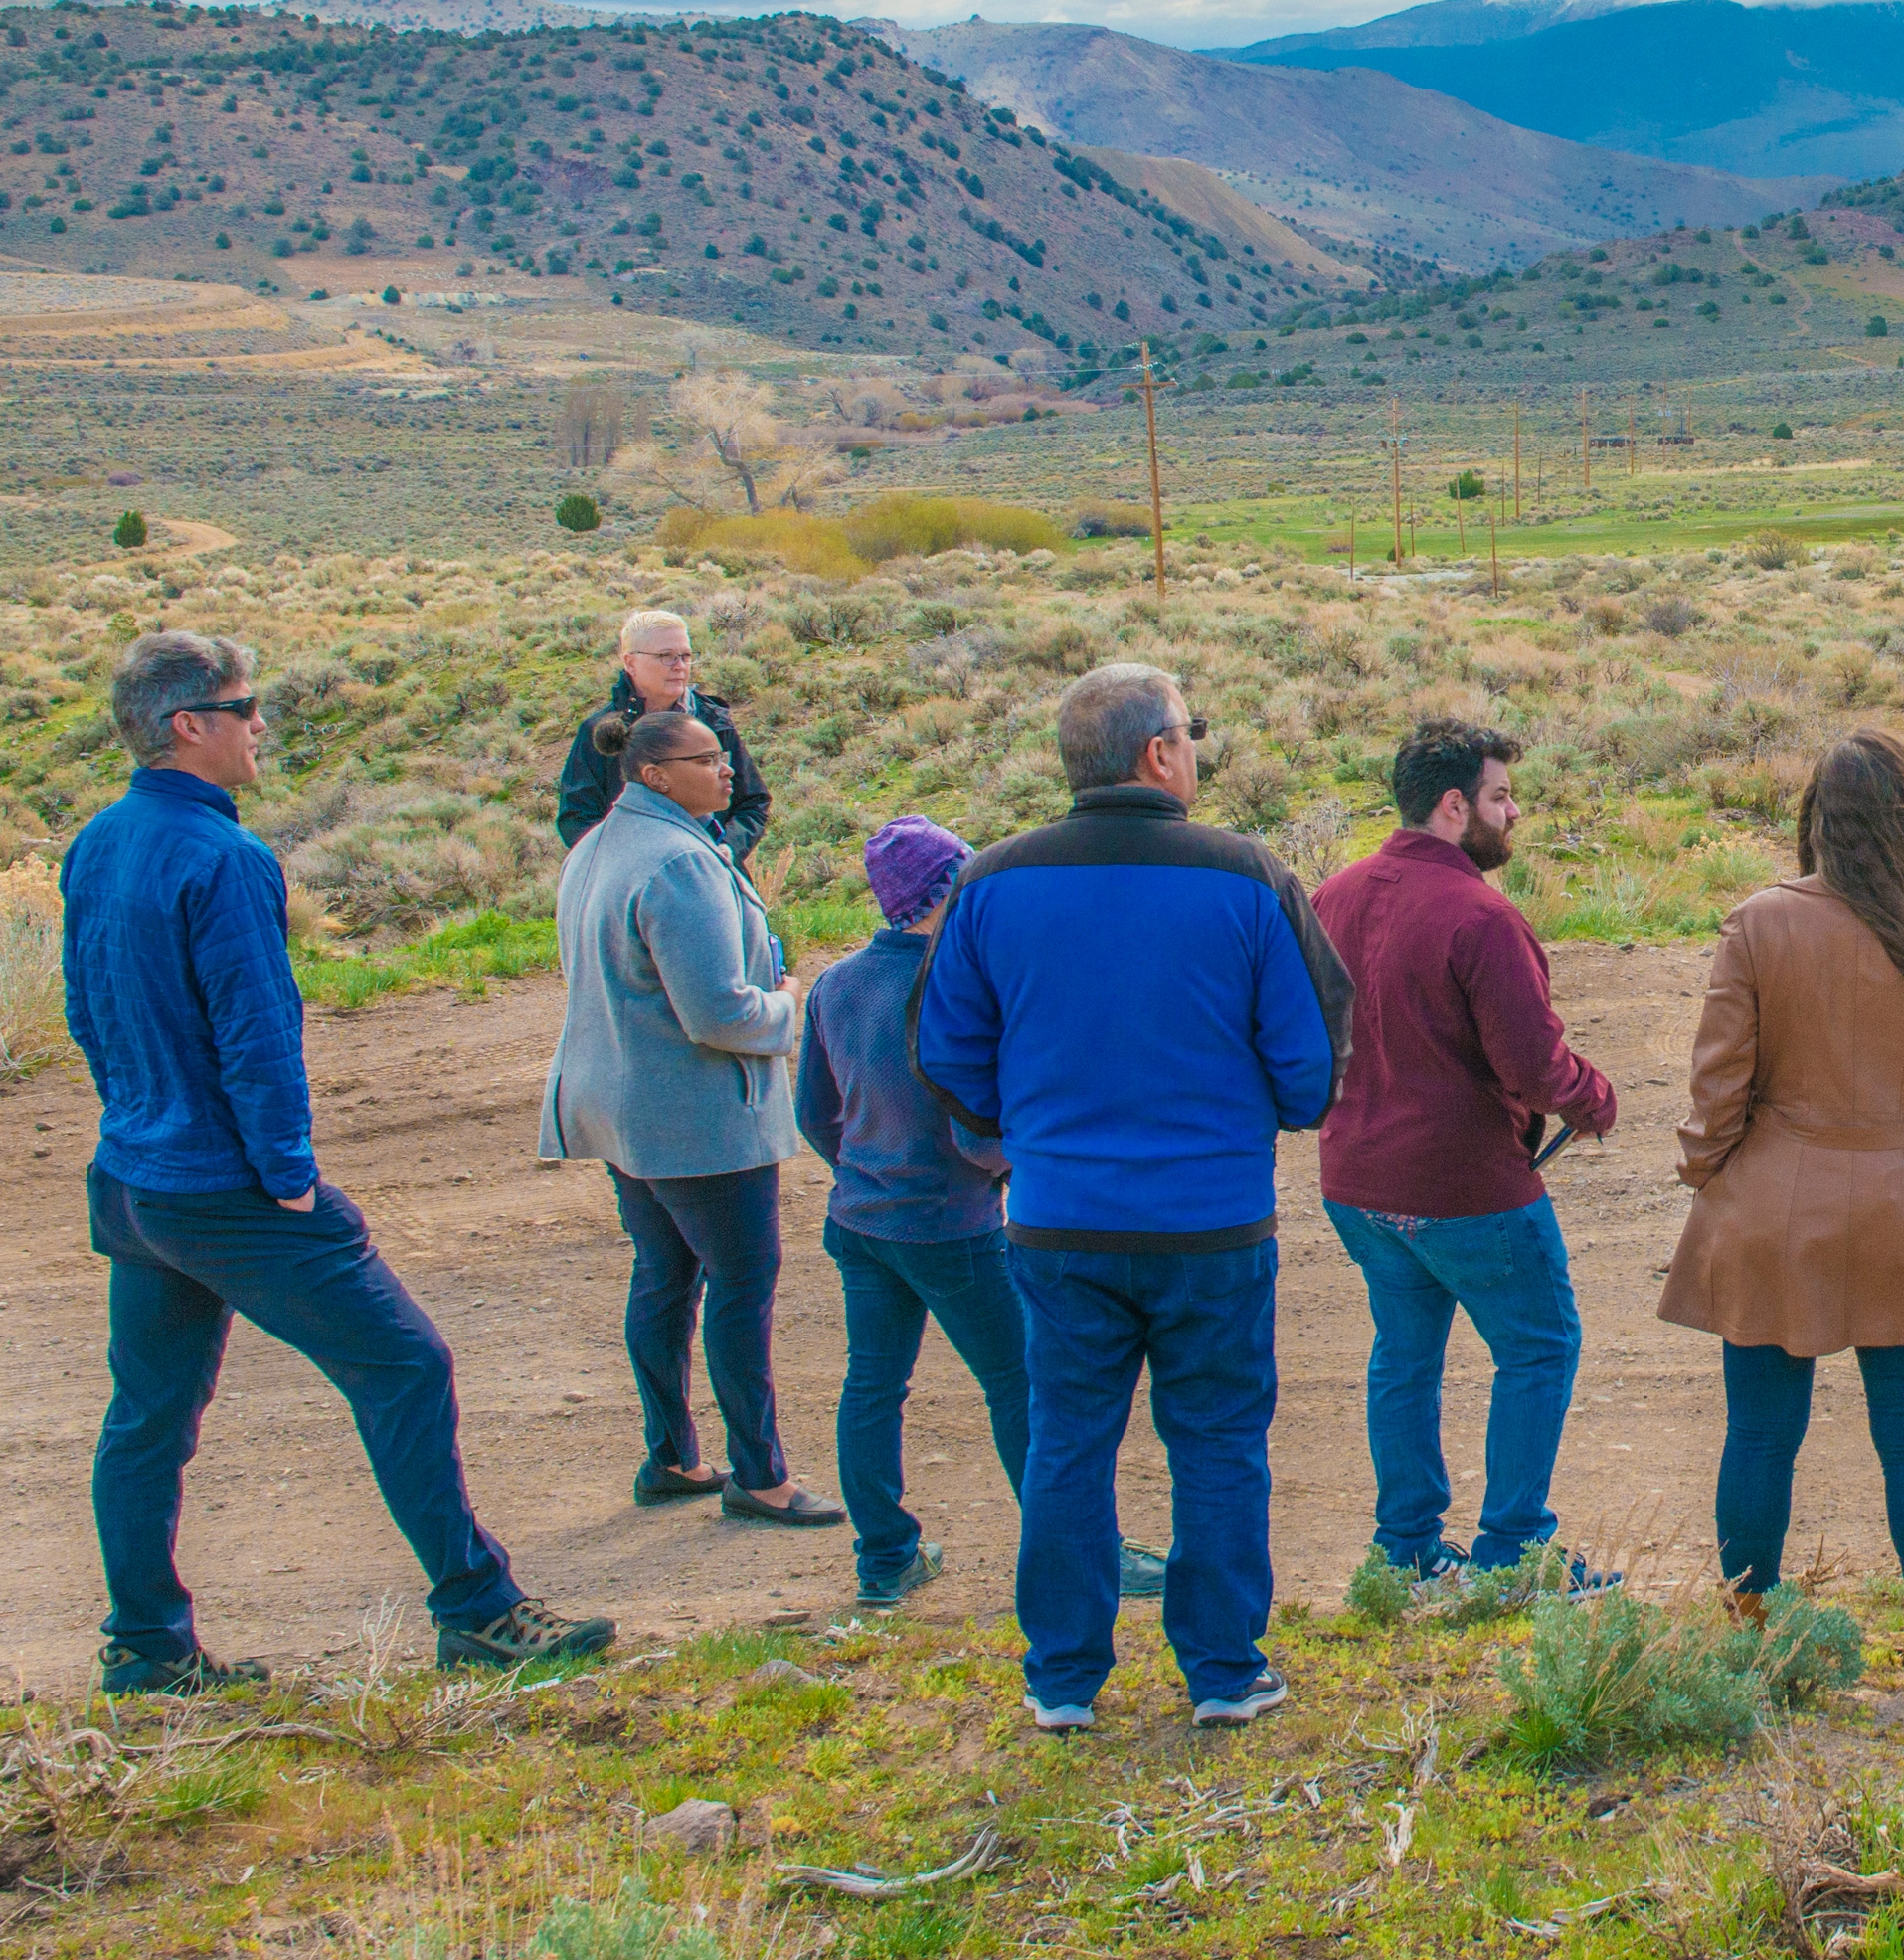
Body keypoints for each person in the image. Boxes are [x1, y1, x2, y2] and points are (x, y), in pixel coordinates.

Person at [69, 633, 612, 1690]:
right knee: (406, 1364)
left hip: (135, 1179)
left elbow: (84, 1009)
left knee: (147, 1417)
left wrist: (136, 1111)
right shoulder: (226, 859)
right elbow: (258, 1036)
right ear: (190, 724)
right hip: (225, 1186)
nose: (261, 722)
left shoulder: (97, 841)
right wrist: (287, 1175)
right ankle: (479, 1611)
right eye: (245, 704)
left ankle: (145, 1649)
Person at [917, 664, 1351, 1734]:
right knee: (1216, 1440)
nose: (1196, 749)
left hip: (1059, 1218)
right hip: (1212, 1223)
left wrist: (1028, 1131)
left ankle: (1062, 1678)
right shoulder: (1249, 879)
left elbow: (945, 1055)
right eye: (1191, 733)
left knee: (1067, 1439)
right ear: (1159, 754)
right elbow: (1310, 1072)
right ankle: (1221, 1669)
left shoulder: (989, 883)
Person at [1662, 729, 1904, 1698]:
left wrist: (1714, 1178)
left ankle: (1747, 1640)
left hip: (1773, 1209)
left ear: (1816, 820)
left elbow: (1718, 1088)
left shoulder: (1757, 923)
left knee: (1757, 1434)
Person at [794, 815, 1169, 1608]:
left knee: (872, 1385)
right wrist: (1013, 1166)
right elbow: (978, 1132)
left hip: (861, 1221)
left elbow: (813, 1113)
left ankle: (886, 1558)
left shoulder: (835, 984)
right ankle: (1080, 1554)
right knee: (1024, 1385)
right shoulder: (953, 986)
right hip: (951, 1226)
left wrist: (865, 1169)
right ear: (945, 890)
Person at [1311, 721, 1620, 1583]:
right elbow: (1533, 1064)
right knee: (1540, 1346)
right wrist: (1594, 1100)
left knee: (1404, 1355)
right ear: (1455, 806)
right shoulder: (1482, 917)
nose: (1512, 814)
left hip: (1357, 1182)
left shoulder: (1332, 895)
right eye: (1500, 797)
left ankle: (1406, 1549)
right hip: (1465, 1189)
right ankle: (1514, 1551)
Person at [542, 706, 836, 1530]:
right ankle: (761, 1475)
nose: (727, 771)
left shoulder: (598, 848)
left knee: (664, 1278)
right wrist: (788, 1008)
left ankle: (671, 1456)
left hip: (625, 1112)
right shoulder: (678, 862)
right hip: (697, 1119)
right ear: (654, 775)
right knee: (742, 1284)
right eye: (707, 760)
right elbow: (716, 1014)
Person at [557, 606, 771, 865]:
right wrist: (625, 865)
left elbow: (753, 803)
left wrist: (727, 850)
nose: (680, 666)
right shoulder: (600, 732)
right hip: (634, 887)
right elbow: (576, 818)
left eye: (686, 656)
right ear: (631, 663)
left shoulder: (712, 721)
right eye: (666, 656)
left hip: (710, 875)